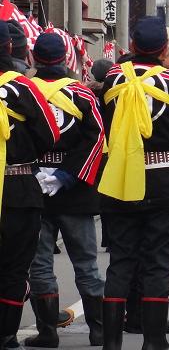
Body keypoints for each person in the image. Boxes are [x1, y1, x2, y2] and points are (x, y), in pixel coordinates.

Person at [98, 17, 169, 350]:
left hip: (120, 176)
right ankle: (154, 340)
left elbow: (102, 117)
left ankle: (112, 341)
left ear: (131, 46)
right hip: (164, 178)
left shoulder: (113, 77)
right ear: (162, 49)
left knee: (121, 260)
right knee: (158, 259)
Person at [22, 34, 106, 348]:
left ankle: (48, 332)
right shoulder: (82, 93)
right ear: (66, 59)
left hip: (32, 184)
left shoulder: (24, 92)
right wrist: (67, 175)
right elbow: (97, 139)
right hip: (76, 191)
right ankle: (98, 330)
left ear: (34, 58)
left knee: (40, 262)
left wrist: (34, 169)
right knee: (86, 262)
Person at [0, 21, 61, 350]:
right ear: (11, 49)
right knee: (13, 266)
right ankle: (6, 335)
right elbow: (50, 135)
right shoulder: (23, 87)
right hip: (18, 184)